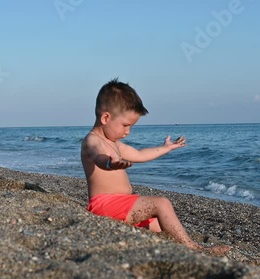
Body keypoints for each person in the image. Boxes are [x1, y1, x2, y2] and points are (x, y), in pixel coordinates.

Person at [80, 78, 231, 255]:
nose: (128, 132)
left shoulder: (115, 144)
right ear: (106, 117)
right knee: (162, 203)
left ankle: (178, 248)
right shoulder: (92, 141)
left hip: (122, 206)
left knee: (161, 225)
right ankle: (196, 249)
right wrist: (109, 163)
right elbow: (98, 157)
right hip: (105, 206)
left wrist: (166, 148)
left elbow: (141, 155)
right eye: (125, 125)